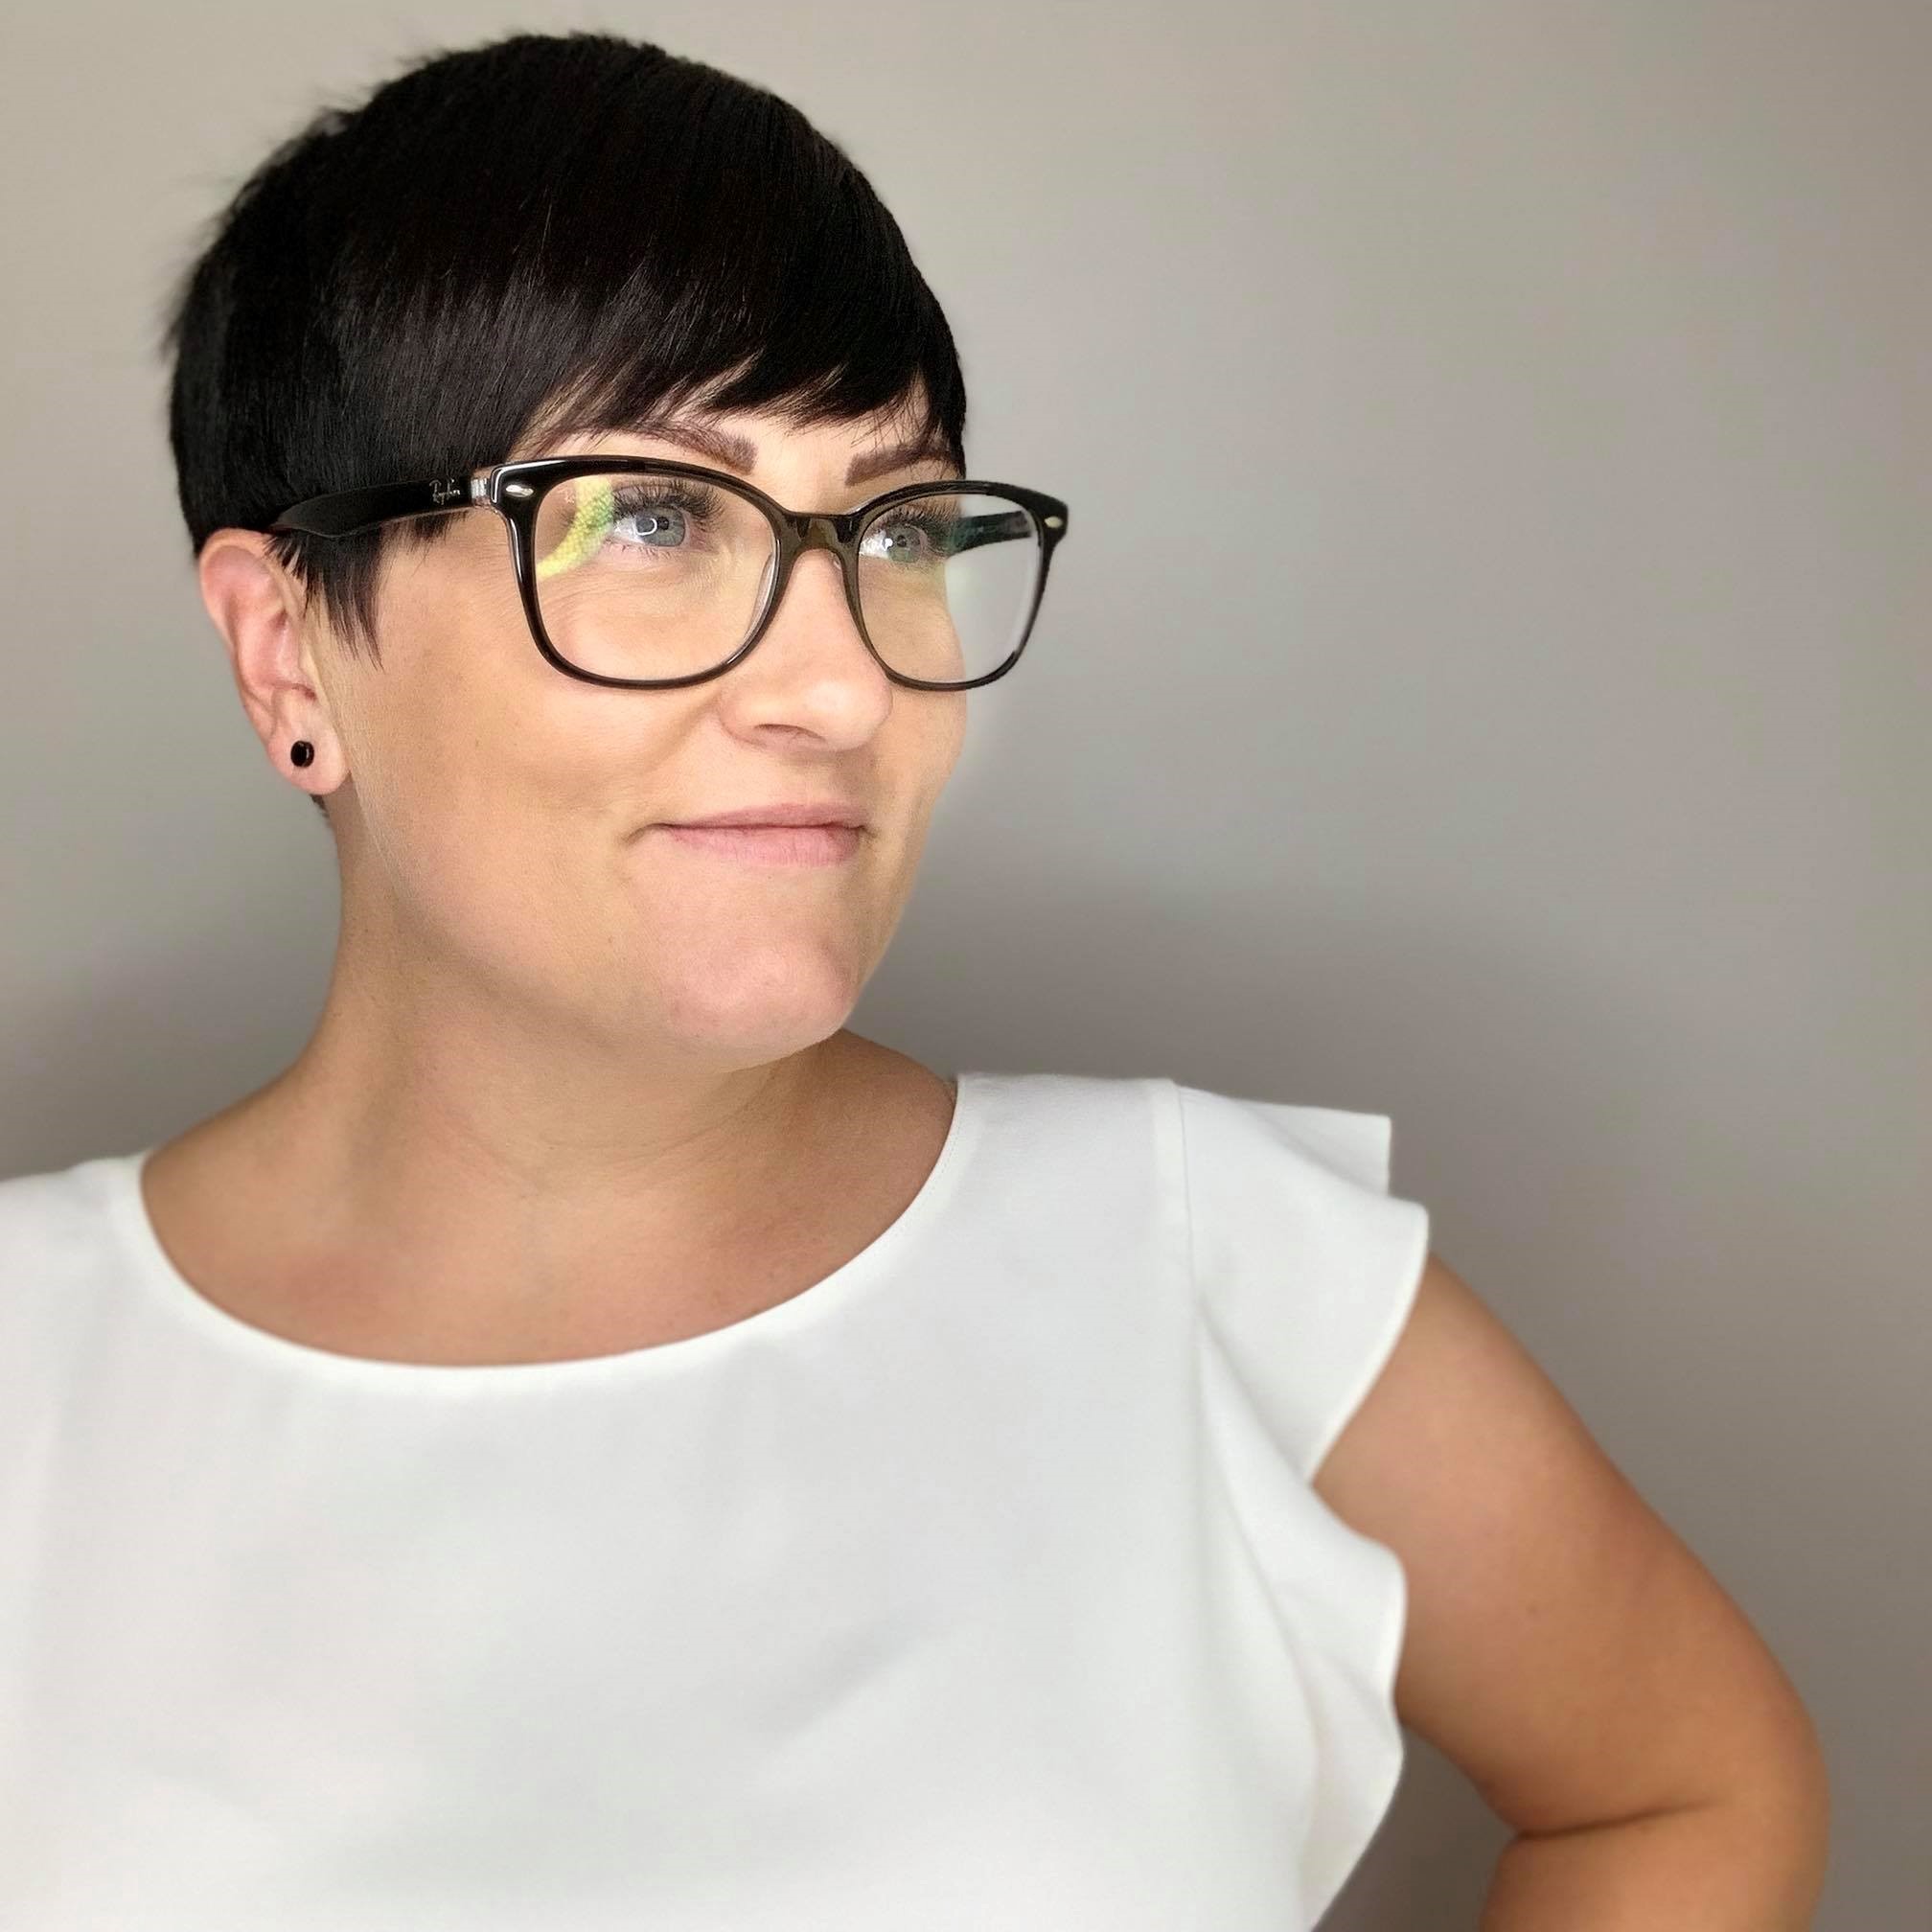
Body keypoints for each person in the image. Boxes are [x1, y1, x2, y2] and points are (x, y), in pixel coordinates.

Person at [0, 28, 1828, 1930]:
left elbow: (1687, 1791)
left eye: (897, 529)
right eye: (650, 516)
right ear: (288, 644)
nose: (846, 681)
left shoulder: (1209, 1274)